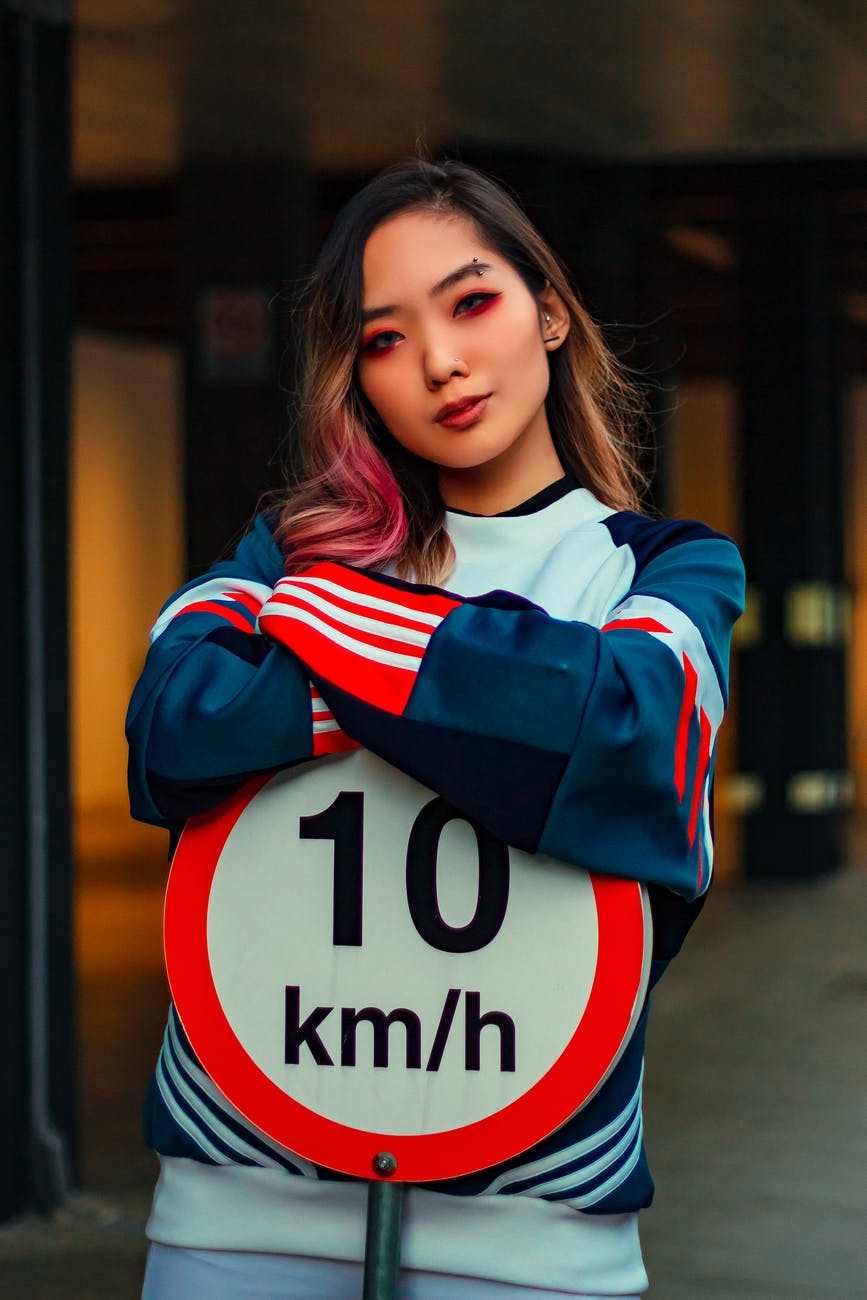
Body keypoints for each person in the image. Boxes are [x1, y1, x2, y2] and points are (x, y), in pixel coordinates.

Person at [127, 158, 745, 1299]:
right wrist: (492, 713)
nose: (442, 363)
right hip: (238, 1187)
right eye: (384, 338)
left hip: (535, 1212)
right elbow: (169, 724)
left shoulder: (667, 566)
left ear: (549, 311)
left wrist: (329, 640)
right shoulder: (287, 545)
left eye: (471, 302)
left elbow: (632, 735)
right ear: (357, 375)